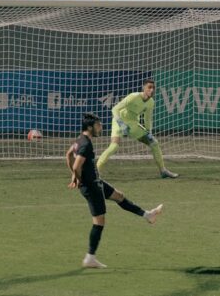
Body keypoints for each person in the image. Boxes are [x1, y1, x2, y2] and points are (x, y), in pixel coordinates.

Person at [65, 113, 163, 269]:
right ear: (90, 127)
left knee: (119, 196)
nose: (101, 127)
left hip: (96, 182)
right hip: (91, 186)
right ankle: (90, 258)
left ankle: (148, 215)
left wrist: (74, 176)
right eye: (98, 125)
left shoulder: (80, 140)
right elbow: (77, 165)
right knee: (99, 222)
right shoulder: (85, 144)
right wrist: (77, 177)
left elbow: (69, 154)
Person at [96, 79, 179, 179]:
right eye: (149, 87)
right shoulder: (133, 96)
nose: (152, 90)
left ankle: (163, 171)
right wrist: (121, 123)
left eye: (153, 88)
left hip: (133, 123)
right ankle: (96, 170)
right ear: (143, 88)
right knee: (114, 146)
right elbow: (115, 109)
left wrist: (149, 131)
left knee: (154, 143)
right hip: (119, 120)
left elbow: (147, 118)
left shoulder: (151, 102)